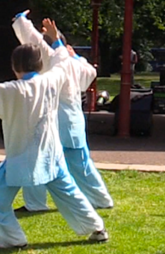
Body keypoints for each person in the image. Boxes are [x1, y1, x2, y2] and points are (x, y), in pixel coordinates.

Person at [0, 44, 109, 248]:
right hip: (50, 153)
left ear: (14, 66)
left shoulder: (12, 91)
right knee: (68, 191)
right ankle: (96, 228)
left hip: (22, 156)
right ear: (40, 64)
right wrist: (56, 42)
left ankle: (12, 238)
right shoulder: (51, 80)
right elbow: (61, 63)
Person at [11, 13, 114, 213]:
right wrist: (69, 50)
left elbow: (34, 42)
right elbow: (90, 71)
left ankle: (36, 204)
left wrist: (21, 21)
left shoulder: (54, 61)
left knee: (38, 160)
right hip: (72, 122)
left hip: (57, 121)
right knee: (79, 164)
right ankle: (100, 198)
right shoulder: (76, 63)